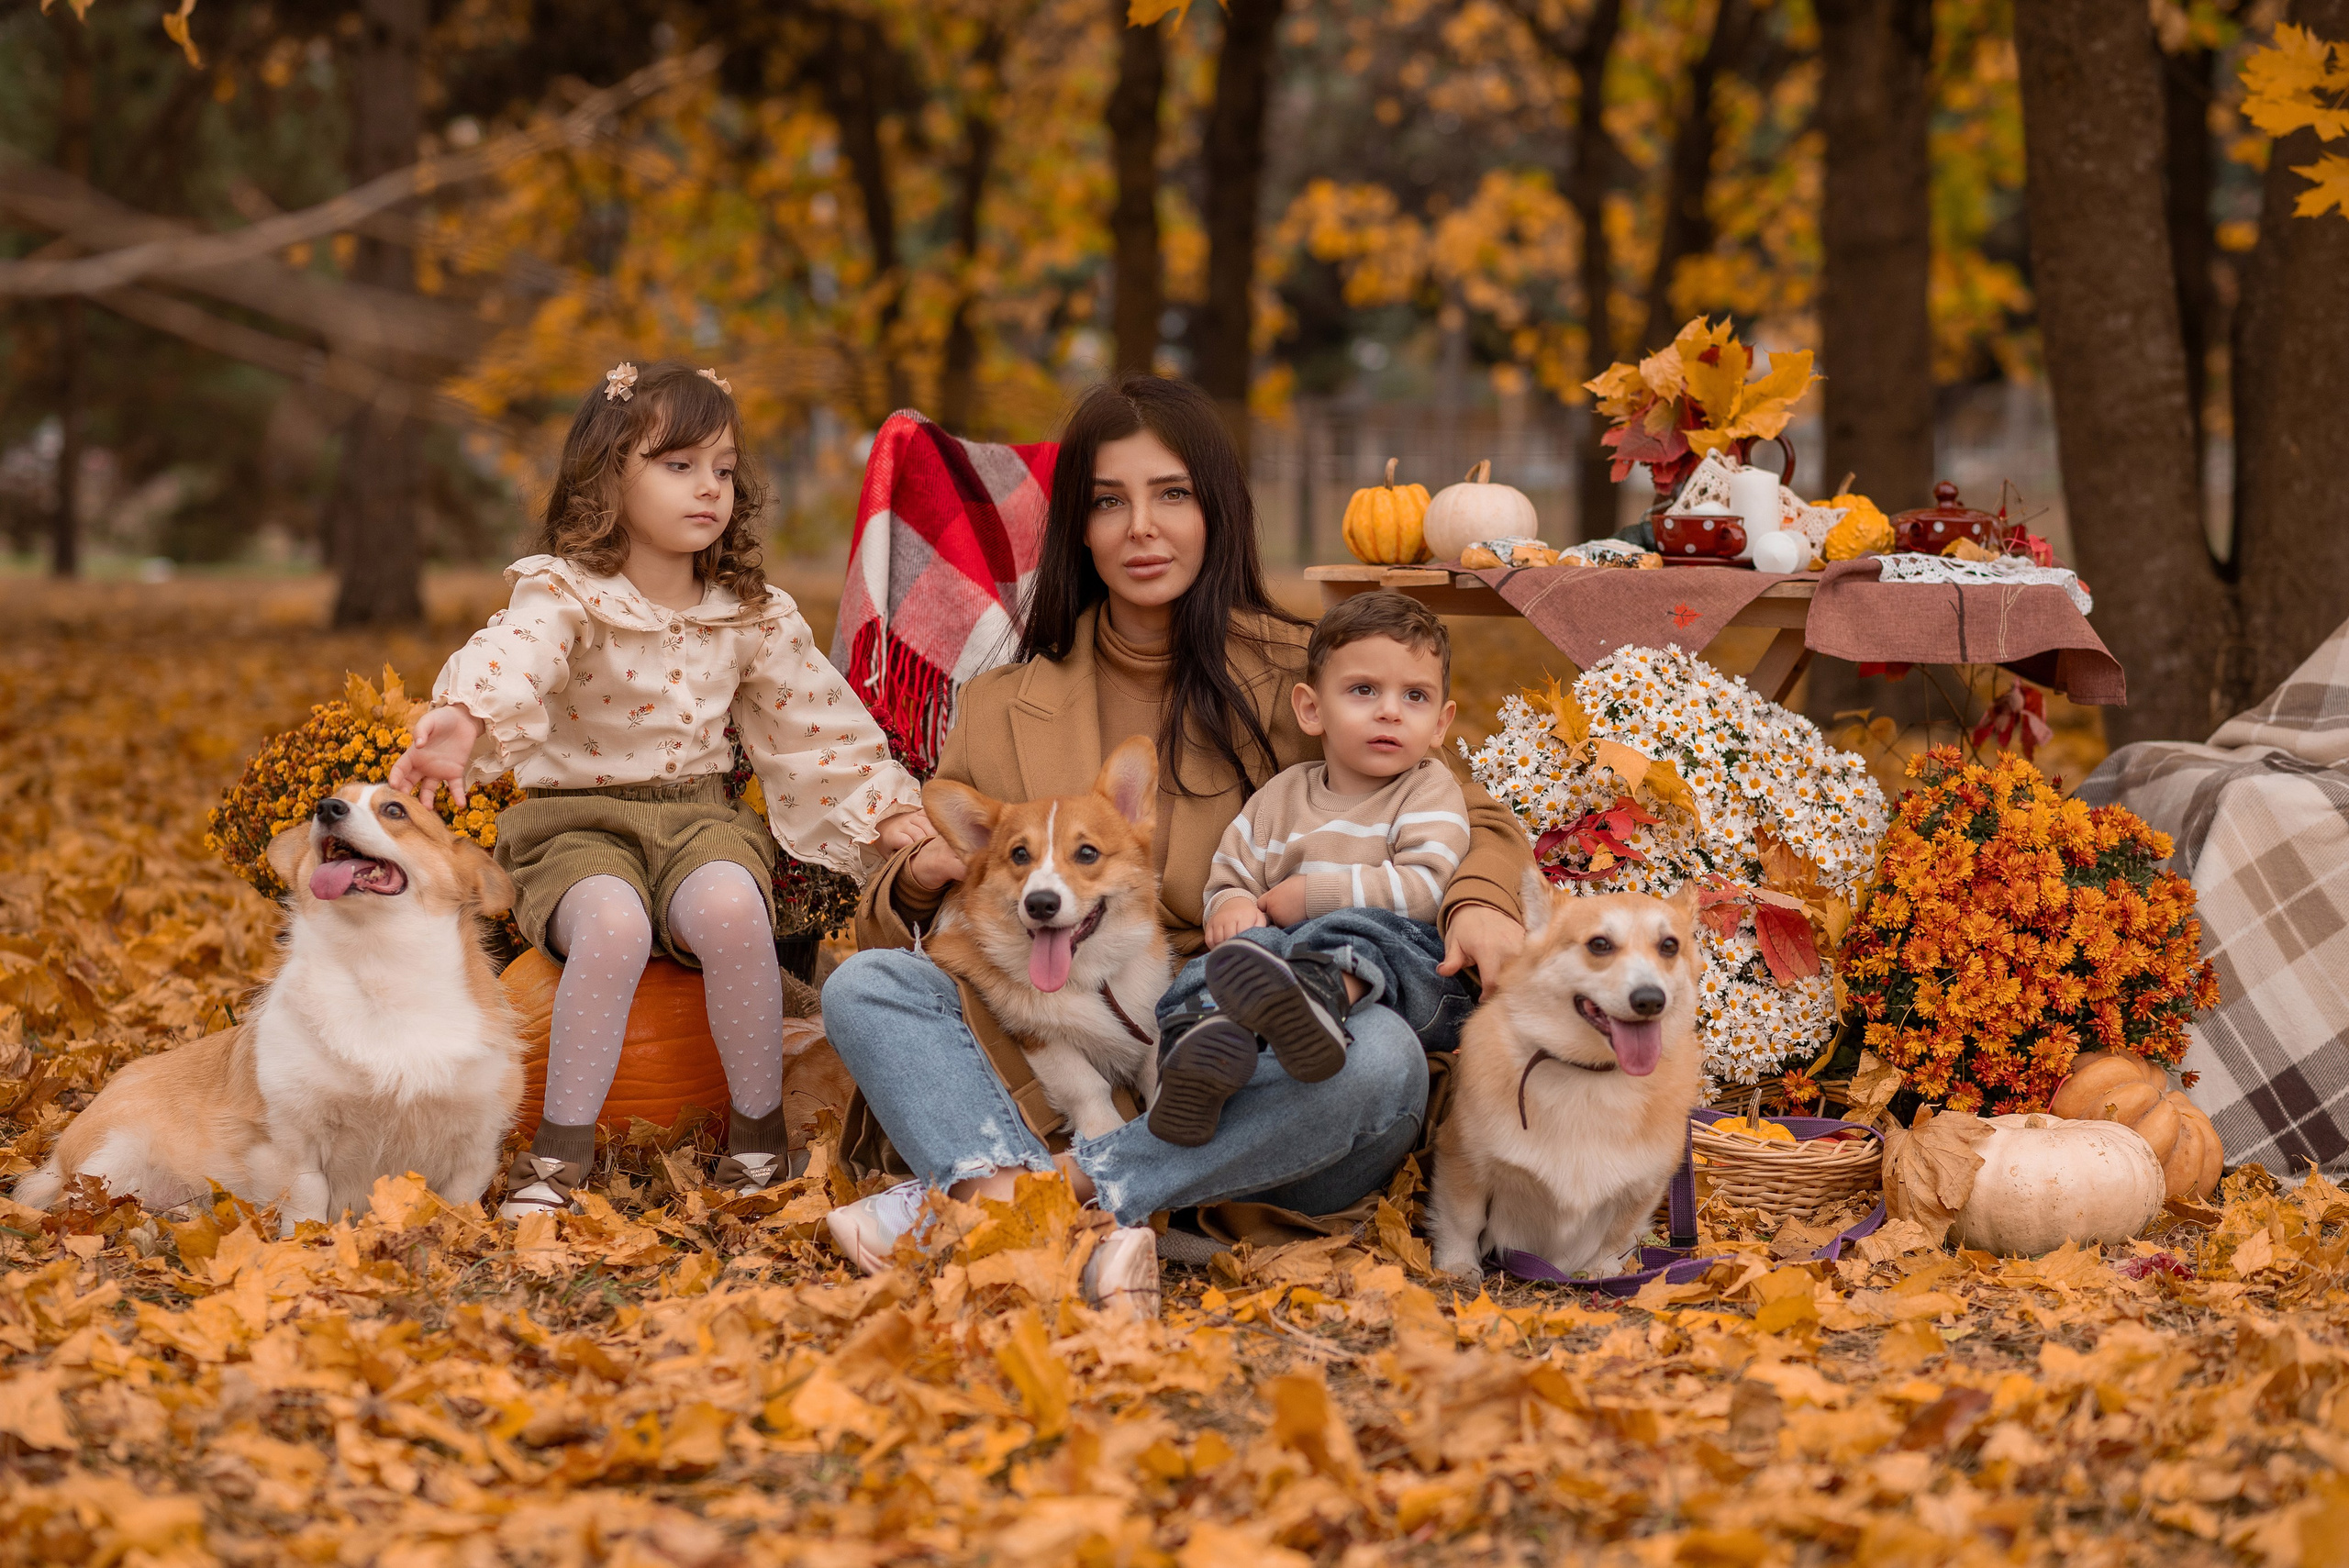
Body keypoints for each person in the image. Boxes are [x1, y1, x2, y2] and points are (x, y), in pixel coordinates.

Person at [818, 377, 1533, 1307]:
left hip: (1257, 1089)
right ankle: (1073, 1212)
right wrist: (917, 877)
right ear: (1077, 526)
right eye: (1109, 501)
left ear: (1217, 510)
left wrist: (1476, 900)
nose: (1140, 528)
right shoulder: (1001, 705)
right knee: (866, 986)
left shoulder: (1296, 679)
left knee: (1383, 1055)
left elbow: (1470, 810)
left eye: (1171, 494)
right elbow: (911, 920)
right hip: (1054, 1065)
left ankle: (1030, 1201)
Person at [391, 360, 934, 1218]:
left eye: (722, 468)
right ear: (610, 472)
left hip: (695, 820)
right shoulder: (568, 593)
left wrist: (888, 807)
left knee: (733, 911)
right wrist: (461, 719)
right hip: (576, 826)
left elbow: (814, 724)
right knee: (609, 926)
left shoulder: (747, 611)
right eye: (677, 465)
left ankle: (758, 1141)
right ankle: (557, 1158)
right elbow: (516, 654)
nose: (708, 488)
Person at [1148, 591, 1475, 1147]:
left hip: (1398, 977)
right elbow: (1232, 872)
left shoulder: (1427, 790)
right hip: (1283, 968)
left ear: (1440, 722)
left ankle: (1317, 1000)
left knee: (1361, 931)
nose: (1390, 711)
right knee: (1222, 959)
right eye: (1363, 690)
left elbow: (1427, 888)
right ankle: (1199, 1044)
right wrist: (1231, 906)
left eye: (1414, 696)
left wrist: (1313, 896)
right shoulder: (1281, 796)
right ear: (1311, 709)